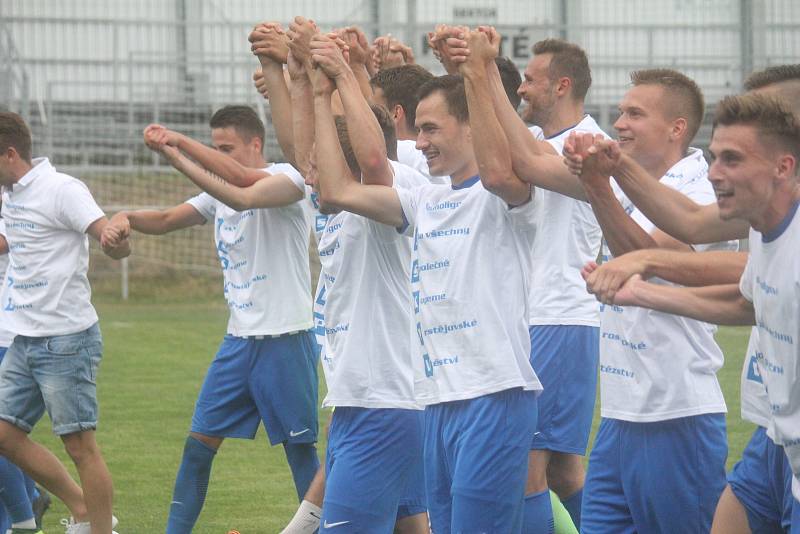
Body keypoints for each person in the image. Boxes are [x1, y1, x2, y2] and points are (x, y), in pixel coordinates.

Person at [308, 27, 543, 533]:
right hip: (436, 400)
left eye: (432, 129)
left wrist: (477, 72)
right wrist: (330, 86)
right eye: (418, 128)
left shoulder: (505, 196)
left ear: (472, 130)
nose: (422, 142)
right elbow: (337, 189)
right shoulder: (427, 201)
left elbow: (501, 171)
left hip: (493, 396)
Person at [580, 92, 800, 532]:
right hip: (776, 438)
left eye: (732, 160)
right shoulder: (763, 226)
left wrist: (648, 262)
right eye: (716, 157)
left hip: (688, 414)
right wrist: (642, 294)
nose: (715, 173)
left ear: (784, 166)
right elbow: (742, 299)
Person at [104, 105, 319, 534]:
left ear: (255, 144)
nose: (216, 155)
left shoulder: (286, 178)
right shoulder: (217, 192)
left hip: (286, 337)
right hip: (238, 342)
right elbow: (166, 219)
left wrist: (179, 144)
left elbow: (240, 183)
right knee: (198, 445)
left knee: (300, 450)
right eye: (215, 146)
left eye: (225, 148)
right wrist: (125, 216)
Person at [0, 111, 129, 534]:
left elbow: (108, 237)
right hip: (25, 338)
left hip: (66, 339)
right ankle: (81, 509)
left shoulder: (62, 189)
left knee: (80, 447)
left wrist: (115, 240)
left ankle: (99, 530)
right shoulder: (12, 194)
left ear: (11, 153)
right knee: (3, 434)